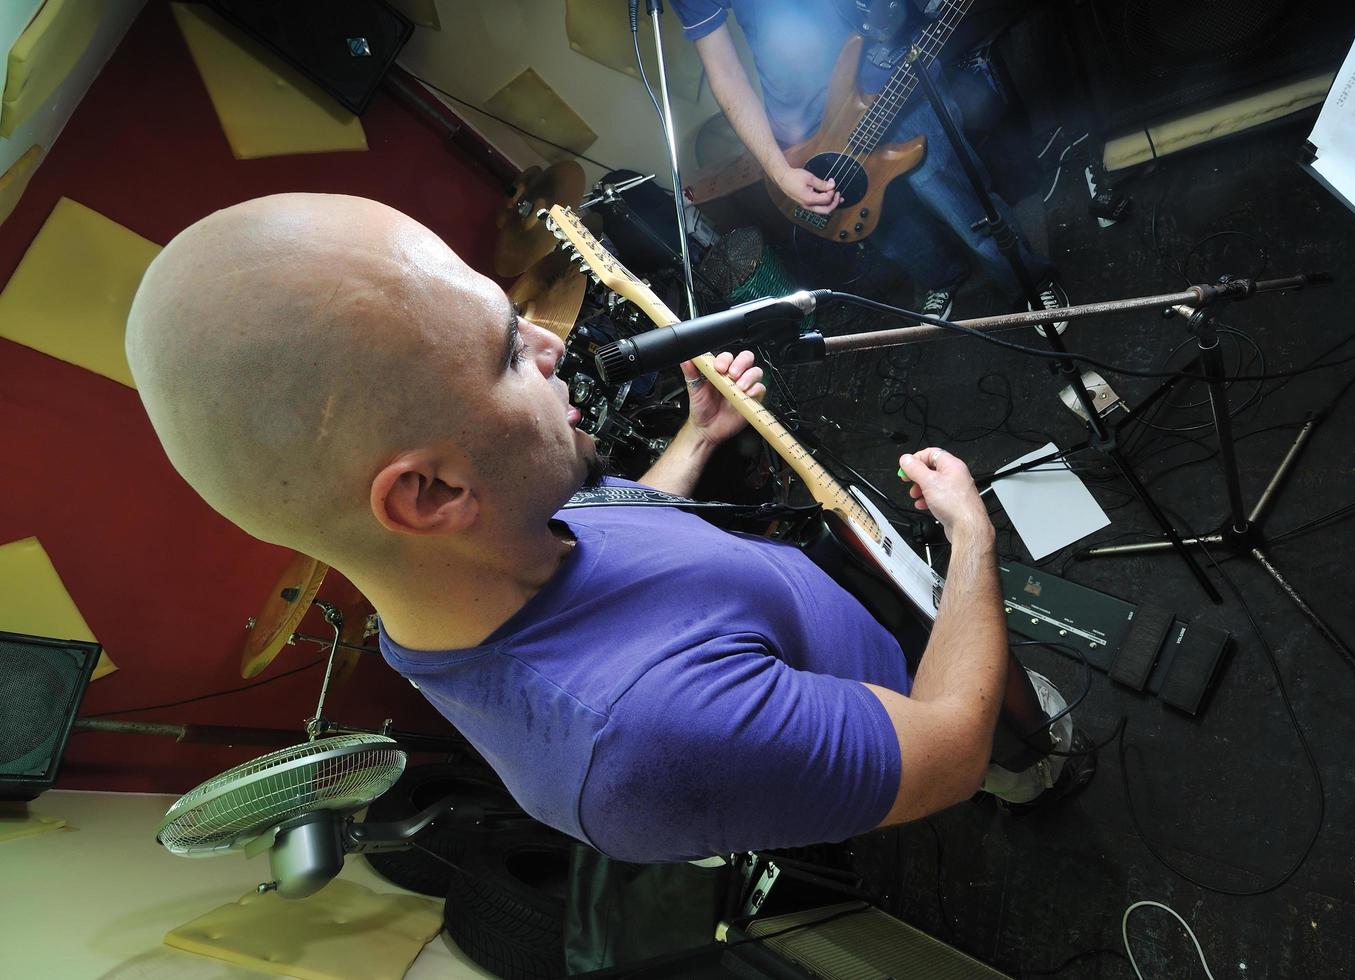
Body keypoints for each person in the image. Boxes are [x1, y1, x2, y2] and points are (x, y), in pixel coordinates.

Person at [125, 193, 1088, 863]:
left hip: (881, 629)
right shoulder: (646, 739)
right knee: (1013, 751)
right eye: (508, 351)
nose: (552, 344)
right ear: (427, 495)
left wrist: (694, 441)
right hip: (929, 706)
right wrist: (971, 548)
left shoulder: (480, 548)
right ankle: (1040, 772)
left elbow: (623, 542)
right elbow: (950, 751)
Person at [675, 0, 1067, 325]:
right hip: (807, 128)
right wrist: (778, 170)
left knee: (961, 201)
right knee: (884, 226)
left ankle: (1027, 281)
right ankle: (941, 280)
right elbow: (723, 72)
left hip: (894, 78)